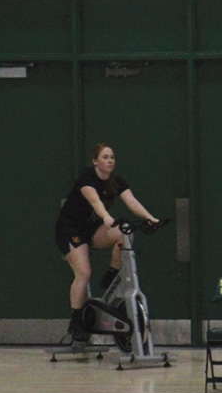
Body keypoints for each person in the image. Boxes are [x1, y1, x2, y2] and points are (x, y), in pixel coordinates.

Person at [55, 144, 159, 345]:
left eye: (112, 157)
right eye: (105, 157)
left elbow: (131, 201)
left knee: (125, 233)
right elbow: (95, 202)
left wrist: (150, 218)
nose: (110, 160)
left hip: (92, 229)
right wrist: (106, 217)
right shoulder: (86, 179)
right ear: (95, 161)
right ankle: (76, 320)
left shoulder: (115, 182)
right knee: (83, 273)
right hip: (71, 230)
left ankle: (111, 273)